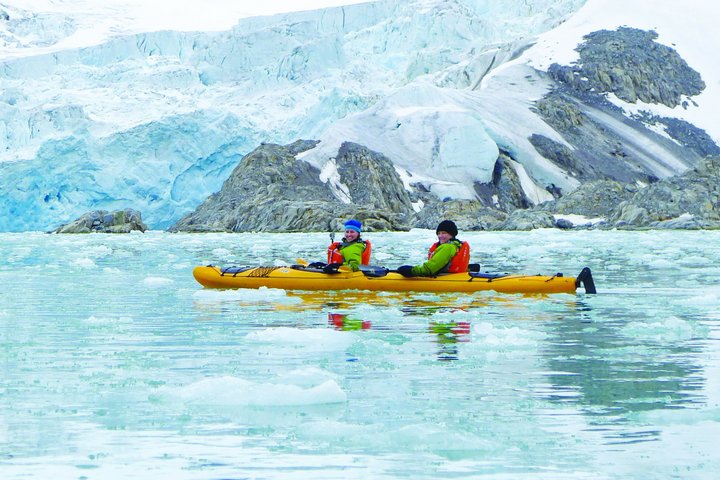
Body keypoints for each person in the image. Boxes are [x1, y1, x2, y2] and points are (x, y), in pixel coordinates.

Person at [396, 220, 470, 277]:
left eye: (444, 233)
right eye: (439, 233)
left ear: (452, 234)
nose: (440, 236)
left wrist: (411, 271)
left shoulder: (448, 247)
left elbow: (430, 268)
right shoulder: (455, 246)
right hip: (451, 277)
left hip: (445, 278)